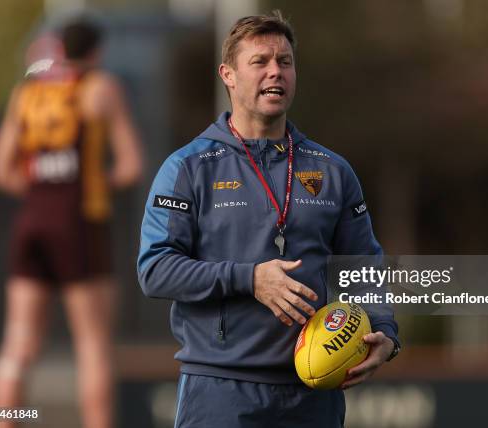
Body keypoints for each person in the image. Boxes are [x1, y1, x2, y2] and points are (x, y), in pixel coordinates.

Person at [137, 10, 399, 427]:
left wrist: (385, 331)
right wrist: (250, 279)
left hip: (315, 394)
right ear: (228, 75)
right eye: (260, 62)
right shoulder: (188, 168)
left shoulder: (332, 170)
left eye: (285, 62)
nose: (275, 72)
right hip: (220, 390)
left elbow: (362, 267)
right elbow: (155, 270)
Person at [0, 17, 143, 428]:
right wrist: (96, 180)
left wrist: (41, 187)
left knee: (18, 343)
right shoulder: (101, 89)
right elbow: (131, 166)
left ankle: (0, 422)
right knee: (93, 345)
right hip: (79, 225)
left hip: (32, 222)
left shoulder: (29, 92)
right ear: (96, 52)